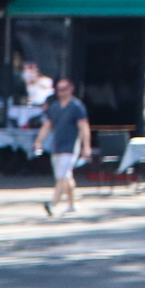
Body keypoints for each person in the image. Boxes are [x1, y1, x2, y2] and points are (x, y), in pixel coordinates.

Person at [33, 75, 90, 216]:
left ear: (71, 89)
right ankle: (73, 203)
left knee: (61, 176)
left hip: (71, 146)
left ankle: (53, 204)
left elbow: (83, 127)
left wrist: (86, 146)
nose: (61, 92)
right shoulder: (55, 107)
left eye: (65, 89)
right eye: (59, 89)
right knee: (66, 176)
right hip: (57, 145)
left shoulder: (77, 107)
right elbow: (48, 125)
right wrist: (39, 140)